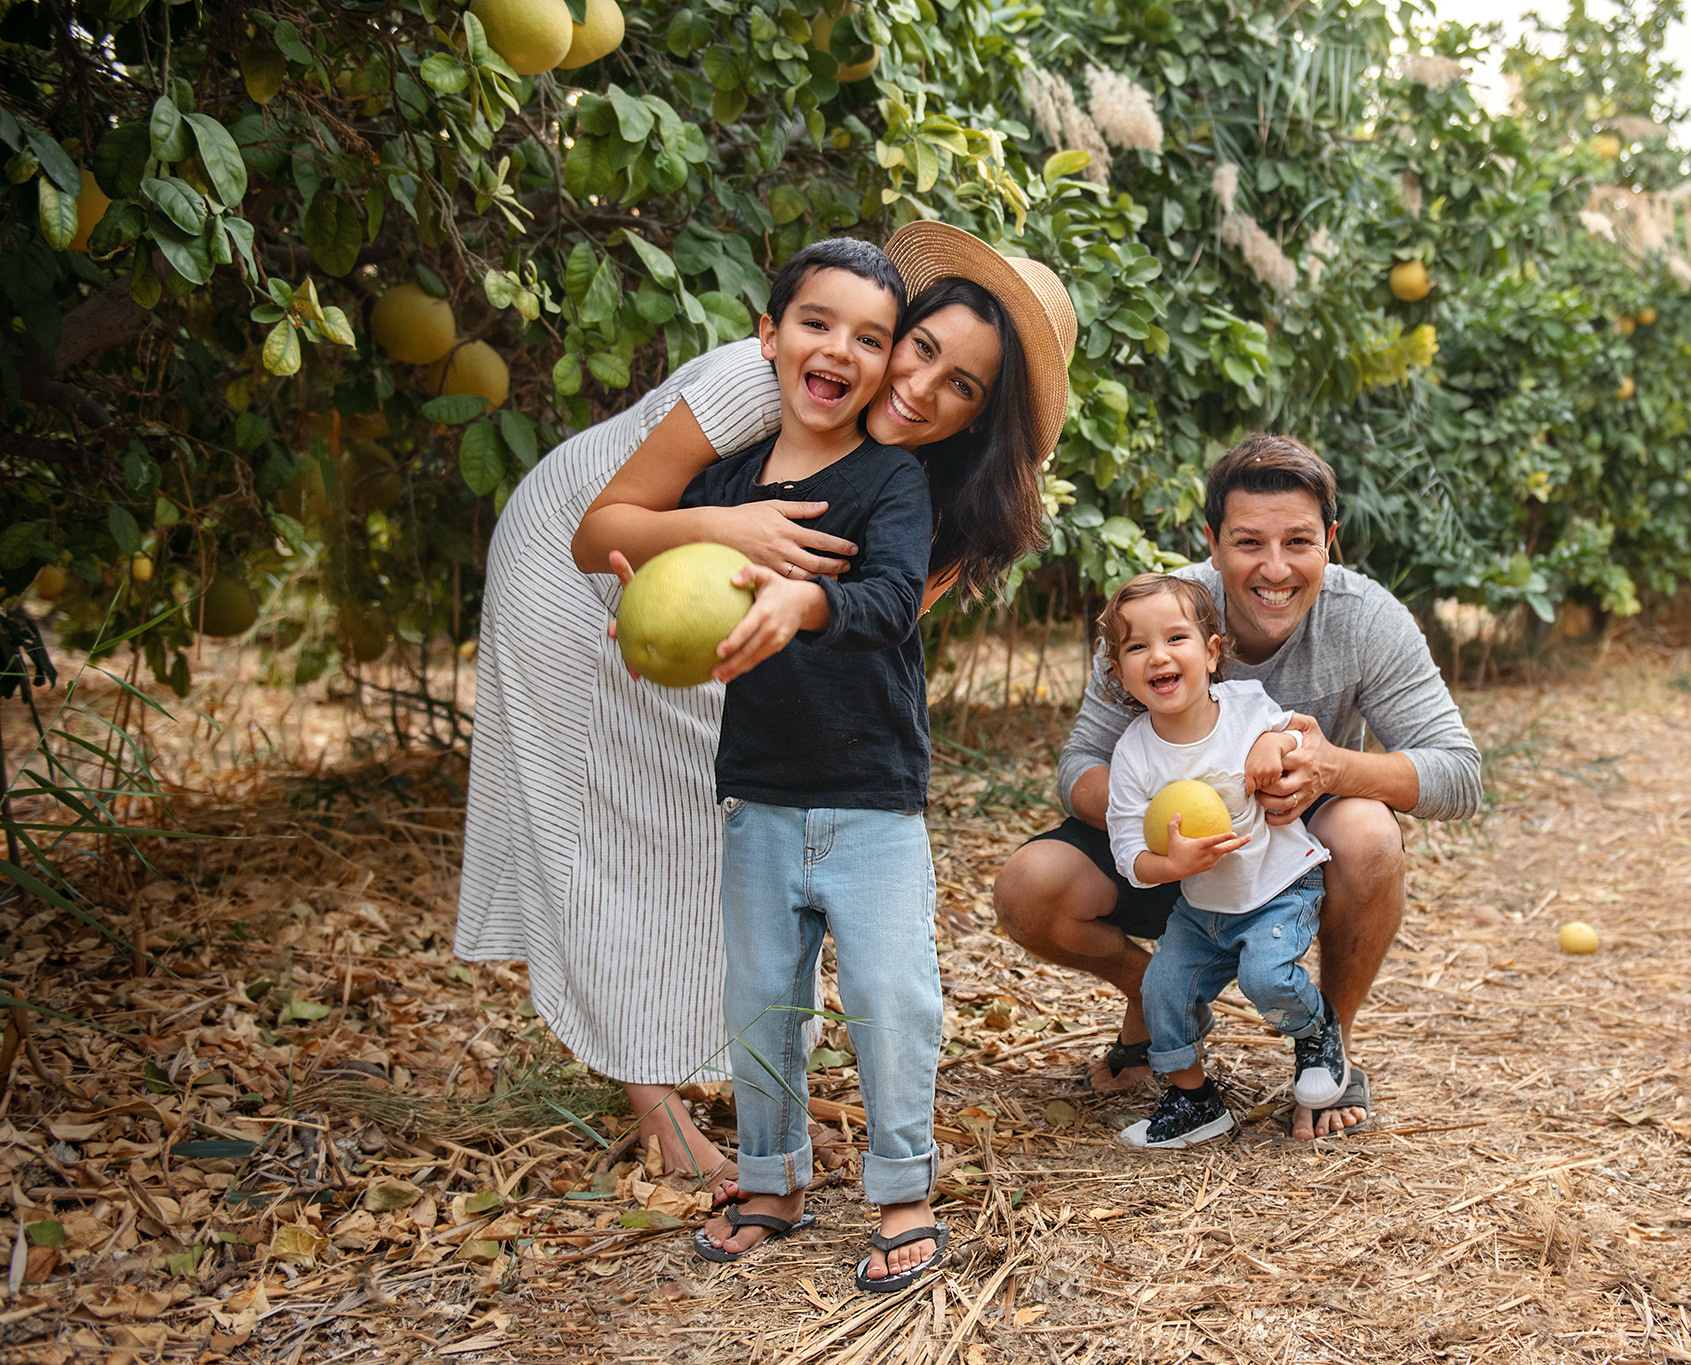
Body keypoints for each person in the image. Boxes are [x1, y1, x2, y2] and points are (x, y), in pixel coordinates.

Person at [455, 223, 1074, 1224]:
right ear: (894, 330)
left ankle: (705, 1070)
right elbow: (606, 529)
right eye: (919, 348)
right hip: (581, 557)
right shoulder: (771, 377)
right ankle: (654, 1097)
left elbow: (845, 635)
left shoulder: (924, 494)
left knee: (717, 814)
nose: (918, 386)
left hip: (691, 595)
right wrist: (717, 532)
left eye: (961, 385)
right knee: (638, 820)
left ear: (982, 417)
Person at [587, 238, 946, 1291]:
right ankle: (772, 1180)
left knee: (889, 994)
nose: (838, 349)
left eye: (869, 339)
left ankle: (901, 1188)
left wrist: (806, 600)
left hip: (871, 793)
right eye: (816, 323)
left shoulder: (892, 482)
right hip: (757, 790)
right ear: (769, 336)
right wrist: (649, 618)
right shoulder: (725, 484)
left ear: (884, 367)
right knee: (759, 1001)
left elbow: (887, 603)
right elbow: (646, 564)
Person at [992, 435, 1482, 1139]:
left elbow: (1460, 775)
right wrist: (1167, 816)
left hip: (1289, 857)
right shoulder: (1156, 619)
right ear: (1213, 542)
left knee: (1370, 833)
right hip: (1172, 852)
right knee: (1027, 886)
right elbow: (1079, 767)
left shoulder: (1366, 619)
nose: (1275, 568)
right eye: (1249, 541)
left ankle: (1329, 1050)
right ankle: (1152, 997)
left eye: (1299, 541)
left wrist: (1332, 769)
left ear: (1330, 542)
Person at [1094, 574, 1353, 1151]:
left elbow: (1294, 738)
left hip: (1278, 888)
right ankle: (1193, 1100)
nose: (1158, 655)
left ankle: (1317, 1032)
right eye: (1136, 647)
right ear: (1120, 673)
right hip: (1202, 906)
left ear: (1212, 653)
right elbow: (1127, 852)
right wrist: (1170, 864)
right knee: (1163, 990)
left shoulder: (1245, 708)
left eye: (1176, 639)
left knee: (1267, 977)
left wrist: (1271, 743)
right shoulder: (1134, 752)